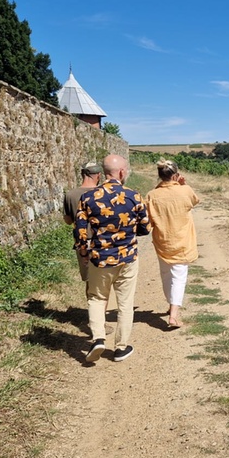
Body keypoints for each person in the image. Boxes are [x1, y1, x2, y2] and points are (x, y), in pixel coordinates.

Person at [74, 154, 150, 363]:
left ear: (104, 173)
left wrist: (84, 253)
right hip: (127, 258)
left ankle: (98, 337)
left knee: (97, 298)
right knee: (125, 303)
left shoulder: (88, 197)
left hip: (100, 258)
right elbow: (146, 227)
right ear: (122, 172)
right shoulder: (134, 196)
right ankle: (120, 348)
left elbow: (80, 231)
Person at [145, 159, 201, 328]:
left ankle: (171, 306)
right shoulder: (185, 191)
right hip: (182, 241)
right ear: (176, 175)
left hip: (163, 242)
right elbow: (195, 200)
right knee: (179, 277)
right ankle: (174, 315)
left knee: (166, 275)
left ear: (159, 176)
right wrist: (183, 184)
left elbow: (147, 219)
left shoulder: (151, 195)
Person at [63, 161, 102, 283]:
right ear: (98, 175)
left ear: (82, 174)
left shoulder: (70, 195)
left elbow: (68, 221)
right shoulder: (104, 193)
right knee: (104, 278)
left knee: (90, 280)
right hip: (103, 240)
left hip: (83, 242)